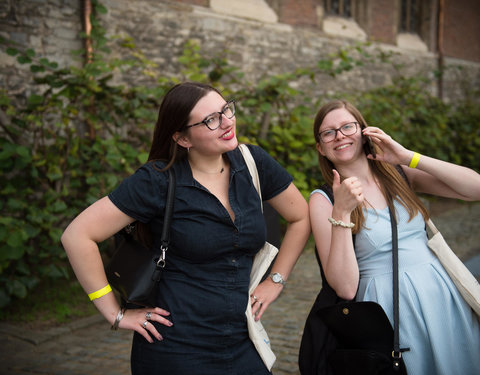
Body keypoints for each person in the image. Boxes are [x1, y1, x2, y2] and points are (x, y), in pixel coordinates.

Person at [61, 82, 310, 375]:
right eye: (210, 120)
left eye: (225, 110)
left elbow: (301, 217)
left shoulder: (253, 163)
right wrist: (115, 314)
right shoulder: (158, 180)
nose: (226, 122)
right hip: (175, 347)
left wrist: (276, 280)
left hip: (244, 340)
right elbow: (77, 236)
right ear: (182, 138)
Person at [306, 99, 480, 374]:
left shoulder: (398, 175)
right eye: (328, 132)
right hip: (389, 308)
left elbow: (476, 188)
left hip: (441, 294)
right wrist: (342, 211)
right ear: (321, 148)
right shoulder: (323, 199)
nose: (339, 135)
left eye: (347, 127)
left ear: (364, 133)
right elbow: (345, 288)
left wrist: (408, 156)